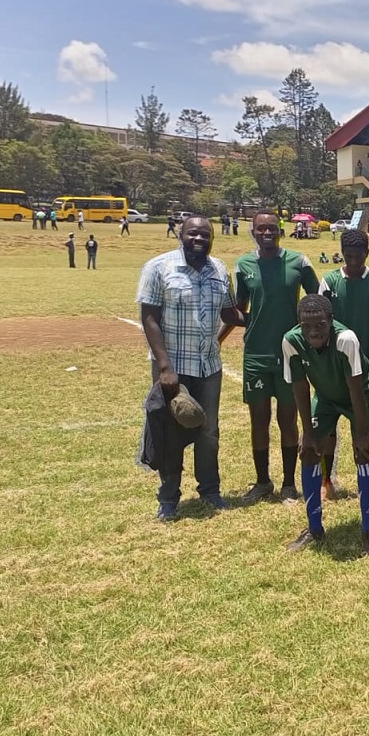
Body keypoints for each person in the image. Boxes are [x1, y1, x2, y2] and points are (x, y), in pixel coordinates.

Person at [136, 216, 237, 519]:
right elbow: (150, 318)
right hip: (174, 368)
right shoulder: (159, 268)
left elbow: (230, 313)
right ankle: (168, 499)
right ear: (180, 235)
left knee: (208, 431)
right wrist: (165, 367)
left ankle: (210, 490)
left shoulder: (219, 269)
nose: (198, 239)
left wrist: (271, 316)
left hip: (209, 366)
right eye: (192, 233)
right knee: (170, 432)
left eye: (205, 235)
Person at [227, 212, 320, 505]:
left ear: (280, 231)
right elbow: (239, 308)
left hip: (290, 353)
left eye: (272, 228)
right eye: (261, 228)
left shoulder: (298, 262)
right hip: (255, 354)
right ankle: (263, 482)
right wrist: (252, 321)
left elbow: (316, 302)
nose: (267, 232)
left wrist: (306, 331)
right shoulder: (244, 265)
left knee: (288, 420)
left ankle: (289, 484)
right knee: (259, 420)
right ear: (253, 232)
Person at [282, 294, 369, 555]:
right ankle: (314, 528)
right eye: (306, 326)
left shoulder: (346, 339)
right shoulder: (291, 341)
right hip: (325, 396)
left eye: (320, 325)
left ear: (331, 321)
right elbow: (300, 388)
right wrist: (309, 432)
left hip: (359, 395)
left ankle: (368, 529)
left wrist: (361, 433)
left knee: (363, 453)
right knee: (310, 452)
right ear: (299, 324)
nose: (313, 331)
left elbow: (356, 389)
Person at [320, 228, 369, 500]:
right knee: (327, 428)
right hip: (334, 371)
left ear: (367, 254)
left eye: (358, 257)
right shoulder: (329, 282)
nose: (354, 262)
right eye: (349, 257)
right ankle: (327, 480)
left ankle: (365, 482)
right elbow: (320, 327)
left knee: (364, 429)